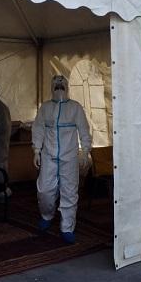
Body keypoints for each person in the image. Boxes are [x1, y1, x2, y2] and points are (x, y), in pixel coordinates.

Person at [32, 75, 92, 244]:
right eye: (56, 87)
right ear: (52, 88)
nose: (59, 89)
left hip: (69, 157)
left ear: (67, 87)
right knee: (44, 190)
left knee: (69, 192)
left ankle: (67, 227)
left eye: (62, 86)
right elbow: (38, 129)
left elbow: (84, 130)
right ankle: (47, 215)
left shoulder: (75, 108)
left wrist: (85, 151)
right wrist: (36, 150)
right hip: (48, 156)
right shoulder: (45, 108)